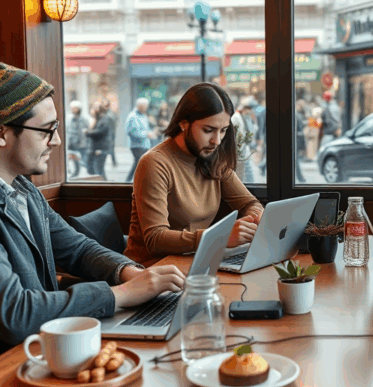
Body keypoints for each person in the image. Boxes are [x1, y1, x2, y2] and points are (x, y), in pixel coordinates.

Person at [0, 62, 186, 366]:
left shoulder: (22, 187)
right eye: (47, 130)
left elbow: (76, 248)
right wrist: (123, 294)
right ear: (0, 133)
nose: (57, 141)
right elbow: (15, 314)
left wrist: (132, 274)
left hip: (33, 354)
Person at [124, 82, 264, 267]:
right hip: (152, 271)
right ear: (183, 124)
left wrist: (254, 217)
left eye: (223, 130)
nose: (217, 141)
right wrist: (219, 237)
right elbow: (156, 239)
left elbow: (249, 203)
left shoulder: (213, 157)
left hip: (196, 262)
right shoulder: (154, 163)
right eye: (208, 130)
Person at [124, 98, 155, 182]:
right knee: (139, 163)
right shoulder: (133, 116)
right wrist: (146, 134)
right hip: (137, 145)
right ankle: (129, 181)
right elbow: (131, 132)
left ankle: (132, 181)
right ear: (140, 106)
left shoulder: (143, 115)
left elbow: (145, 128)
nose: (146, 108)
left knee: (139, 164)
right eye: (145, 106)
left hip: (144, 144)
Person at [85, 101, 113, 181]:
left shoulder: (104, 119)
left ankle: (105, 186)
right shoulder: (96, 119)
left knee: (99, 170)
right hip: (94, 148)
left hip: (100, 148)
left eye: (95, 108)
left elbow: (101, 132)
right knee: (93, 169)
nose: (93, 110)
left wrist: (88, 132)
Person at [65, 100, 89, 178]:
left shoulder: (84, 119)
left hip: (81, 142)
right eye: (72, 108)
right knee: (74, 159)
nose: (73, 110)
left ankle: (87, 171)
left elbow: (87, 129)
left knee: (83, 160)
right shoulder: (69, 118)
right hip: (71, 142)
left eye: (75, 108)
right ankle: (76, 172)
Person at [100, 97, 118, 167]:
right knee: (109, 149)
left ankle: (114, 161)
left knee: (110, 149)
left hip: (110, 135)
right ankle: (113, 162)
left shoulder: (110, 114)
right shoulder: (104, 114)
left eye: (106, 105)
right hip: (105, 135)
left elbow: (112, 125)